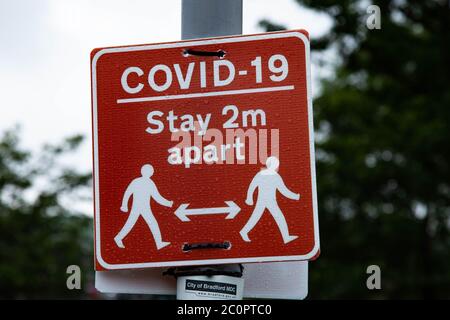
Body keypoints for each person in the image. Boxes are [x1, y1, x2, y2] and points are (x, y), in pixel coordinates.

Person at [240, 156, 300, 244]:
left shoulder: (260, 174)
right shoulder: (275, 176)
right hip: (268, 201)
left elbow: (252, 187)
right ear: (275, 166)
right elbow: (284, 190)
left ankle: (244, 231)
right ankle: (286, 237)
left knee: (258, 217)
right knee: (277, 217)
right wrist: (296, 196)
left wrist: (249, 198)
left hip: (266, 200)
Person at [114, 164, 173, 250]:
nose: (152, 172)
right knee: (134, 223)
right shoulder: (141, 182)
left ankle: (159, 243)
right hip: (139, 207)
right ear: (149, 172)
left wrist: (168, 203)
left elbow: (157, 197)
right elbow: (128, 192)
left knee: (148, 223)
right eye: (150, 171)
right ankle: (118, 238)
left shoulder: (146, 182)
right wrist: (124, 205)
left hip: (144, 208)